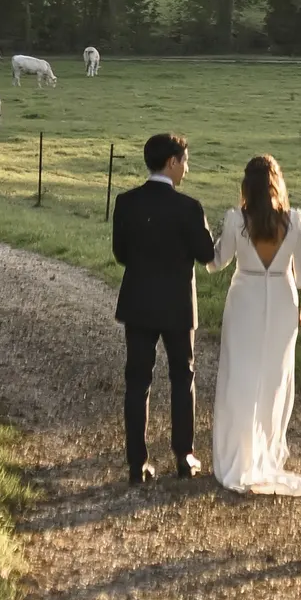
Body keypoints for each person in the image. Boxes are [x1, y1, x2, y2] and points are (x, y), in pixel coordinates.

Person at [207, 154, 301, 496]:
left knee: (241, 375)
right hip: (283, 301)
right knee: (274, 378)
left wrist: (204, 235)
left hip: (245, 299)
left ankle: (240, 453)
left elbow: (216, 262)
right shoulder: (294, 221)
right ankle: (266, 452)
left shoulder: (236, 220)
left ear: (247, 186)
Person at [111, 133, 215, 484]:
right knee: (182, 378)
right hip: (177, 306)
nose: (187, 168)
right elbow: (206, 254)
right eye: (185, 161)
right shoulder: (189, 207)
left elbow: (120, 254)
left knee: (137, 380)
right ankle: (184, 456)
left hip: (138, 302)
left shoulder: (126, 202)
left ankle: (137, 463)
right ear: (172, 162)